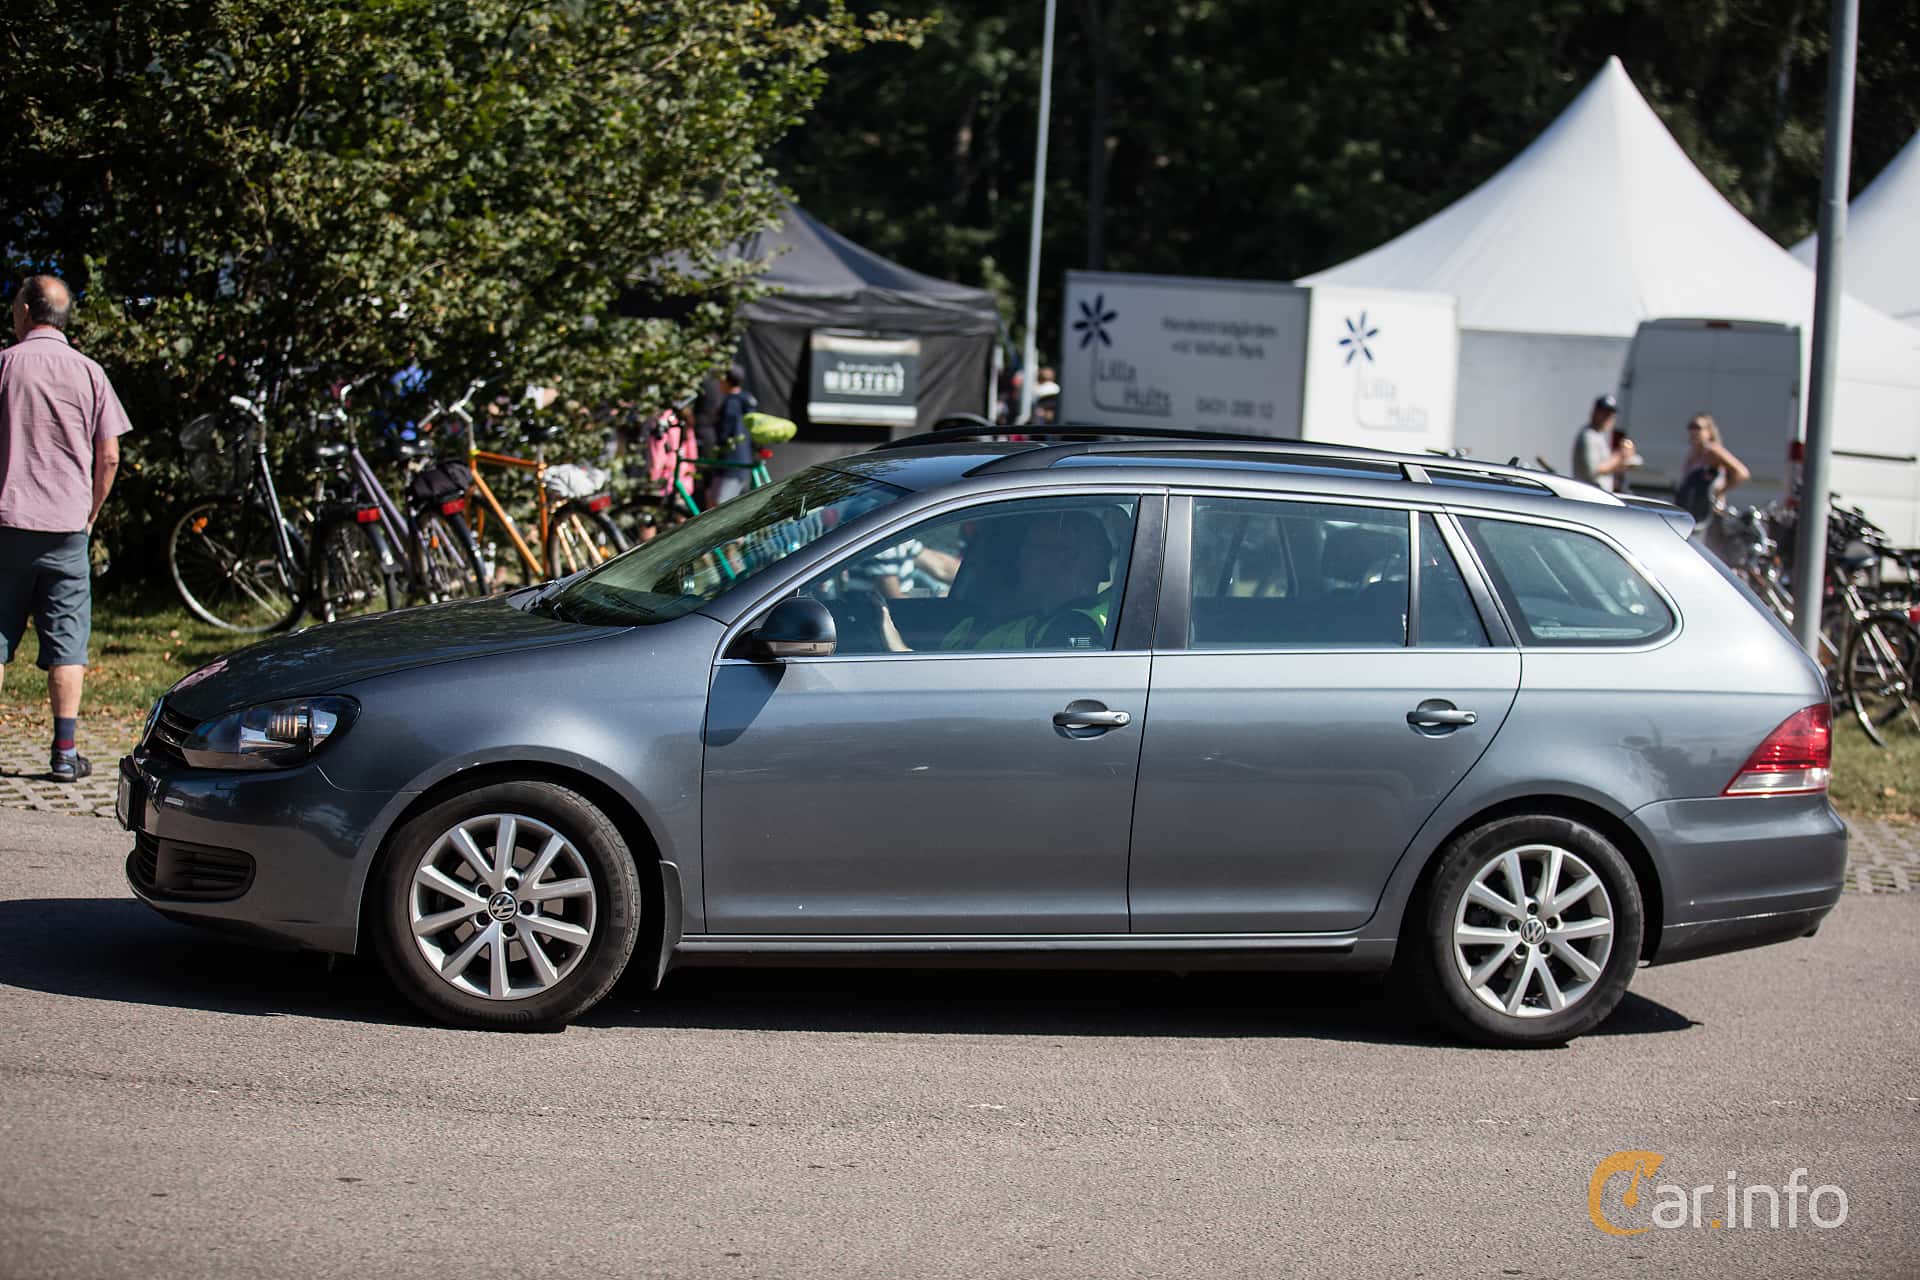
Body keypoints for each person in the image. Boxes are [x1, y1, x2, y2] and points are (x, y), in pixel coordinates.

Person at [0, 275, 132, 782]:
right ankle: (64, 752)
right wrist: (90, 511)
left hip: (5, 524)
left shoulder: (7, 366)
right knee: (68, 644)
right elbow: (110, 454)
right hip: (65, 530)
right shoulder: (90, 373)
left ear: (29, 312)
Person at [875, 510, 1113, 652]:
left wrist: (898, 648)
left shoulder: (1075, 631)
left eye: (1033, 548)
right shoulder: (996, 623)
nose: (1020, 557)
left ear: (1067, 560)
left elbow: (981, 695)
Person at [1673, 413, 1751, 522]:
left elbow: (1742, 473)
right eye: (1691, 427)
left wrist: (1720, 490)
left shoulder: (1712, 451)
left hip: (1709, 510)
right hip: (1693, 506)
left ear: (1709, 431)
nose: (1693, 431)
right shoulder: (1693, 453)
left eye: (1698, 427)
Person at [707, 366, 756, 507]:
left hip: (730, 461)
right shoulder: (746, 400)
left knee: (719, 506)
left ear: (727, 381)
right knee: (715, 502)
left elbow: (725, 432)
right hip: (741, 460)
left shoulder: (731, 403)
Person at [1571, 394, 1635, 492]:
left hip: (1599, 494)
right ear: (1595, 412)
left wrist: (1625, 462)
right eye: (1604, 413)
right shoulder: (1588, 436)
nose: (1608, 418)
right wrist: (1619, 456)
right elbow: (1593, 470)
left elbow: (1606, 467)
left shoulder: (1599, 436)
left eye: (1611, 415)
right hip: (1588, 495)